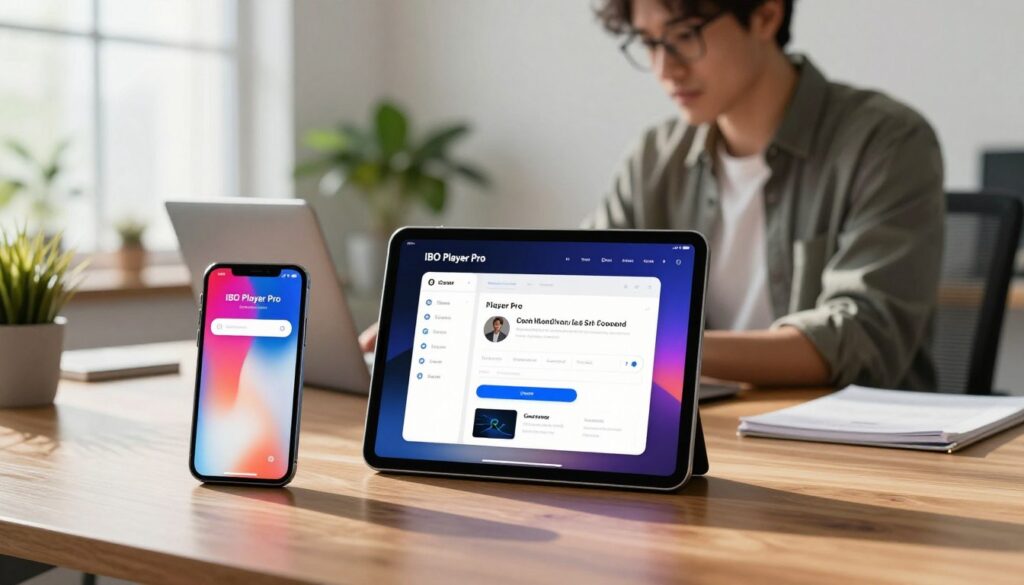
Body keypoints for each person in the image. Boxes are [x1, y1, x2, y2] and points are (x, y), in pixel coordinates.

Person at [361, 0, 945, 391]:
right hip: (699, 436)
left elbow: (860, 337)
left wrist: (653, 348)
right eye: (648, 42)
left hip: (858, 457)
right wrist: (462, 320)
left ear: (766, 15)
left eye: (685, 36)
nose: (665, 69)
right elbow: (574, 285)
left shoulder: (886, 142)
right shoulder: (656, 156)